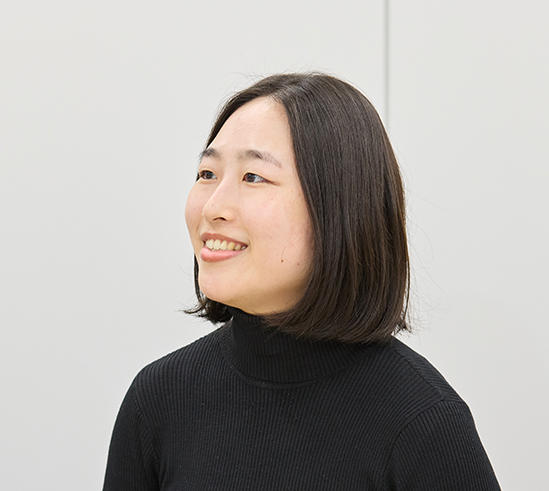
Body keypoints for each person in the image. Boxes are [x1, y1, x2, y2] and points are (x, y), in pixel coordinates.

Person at [102, 73, 501, 490]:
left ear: (338, 208)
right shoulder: (159, 400)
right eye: (207, 173)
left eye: (253, 177)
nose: (213, 207)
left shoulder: (423, 422)